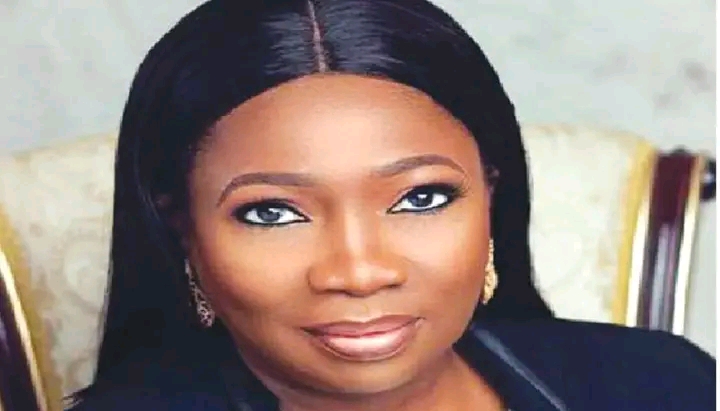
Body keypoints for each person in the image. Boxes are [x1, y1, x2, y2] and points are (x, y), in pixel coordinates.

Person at [68, 1, 714, 410]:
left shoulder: (664, 384)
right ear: (183, 227)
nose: (359, 271)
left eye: (421, 197)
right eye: (272, 212)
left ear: (491, 194)